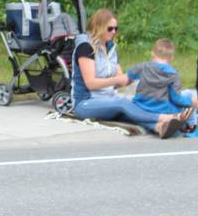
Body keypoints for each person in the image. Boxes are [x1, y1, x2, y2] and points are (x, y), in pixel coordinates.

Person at [72, 9, 182, 138]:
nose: (113, 32)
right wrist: (117, 80)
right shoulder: (85, 48)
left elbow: (119, 79)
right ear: (99, 26)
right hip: (85, 103)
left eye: (116, 29)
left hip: (108, 99)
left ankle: (159, 128)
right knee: (123, 103)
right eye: (110, 28)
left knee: (133, 108)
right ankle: (164, 117)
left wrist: (130, 78)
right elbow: (90, 83)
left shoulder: (111, 48)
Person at [126, 38, 198, 138]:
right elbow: (176, 98)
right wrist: (191, 102)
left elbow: (130, 73)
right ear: (172, 58)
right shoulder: (173, 74)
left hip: (141, 106)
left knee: (185, 98)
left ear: (153, 54)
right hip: (163, 109)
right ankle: (192, 128)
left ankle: (171, 125)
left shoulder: (143, 67)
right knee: (189, 95)